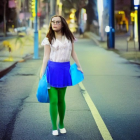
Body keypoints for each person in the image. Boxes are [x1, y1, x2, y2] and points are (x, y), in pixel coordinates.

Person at [40, 15, 83, 136]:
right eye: (53, 22)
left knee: (61, 99)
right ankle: (54, 126)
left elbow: (73, 52)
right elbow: (46, 57)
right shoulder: (48, 39)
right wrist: (42, 73)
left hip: (64, 69)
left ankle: (61, 123)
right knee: (53, 100)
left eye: (57, 22)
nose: (54, 24)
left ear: (62, 24)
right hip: (51, 70)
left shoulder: (69, 38)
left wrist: (79, 66)